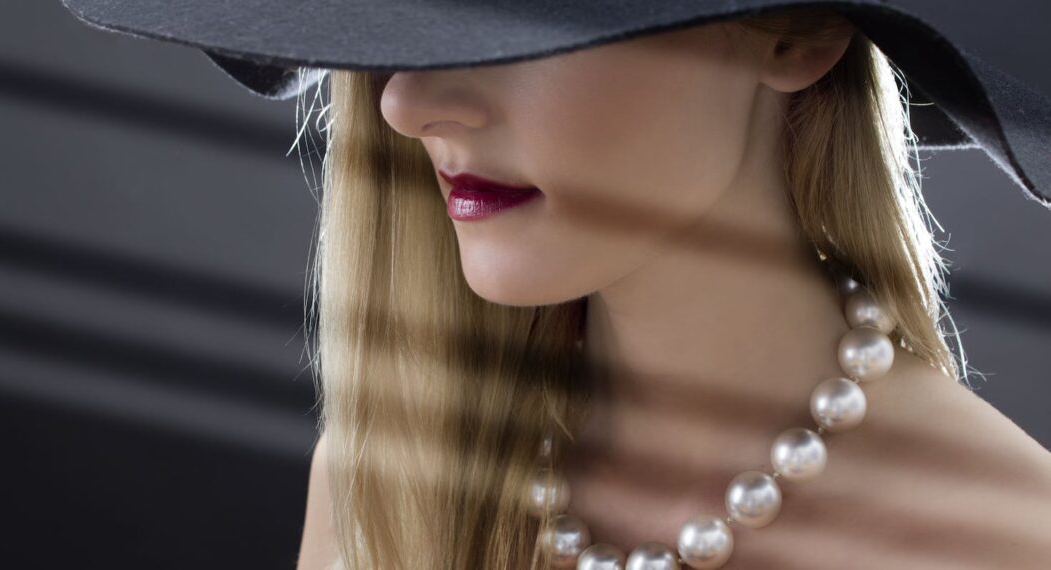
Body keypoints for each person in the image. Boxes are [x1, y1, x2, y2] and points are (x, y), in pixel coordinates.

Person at [293, 8, 1051, 570]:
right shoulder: (379, 486)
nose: (404, 104)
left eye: (517, 14)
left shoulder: (1010, 543)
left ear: (795, 35)